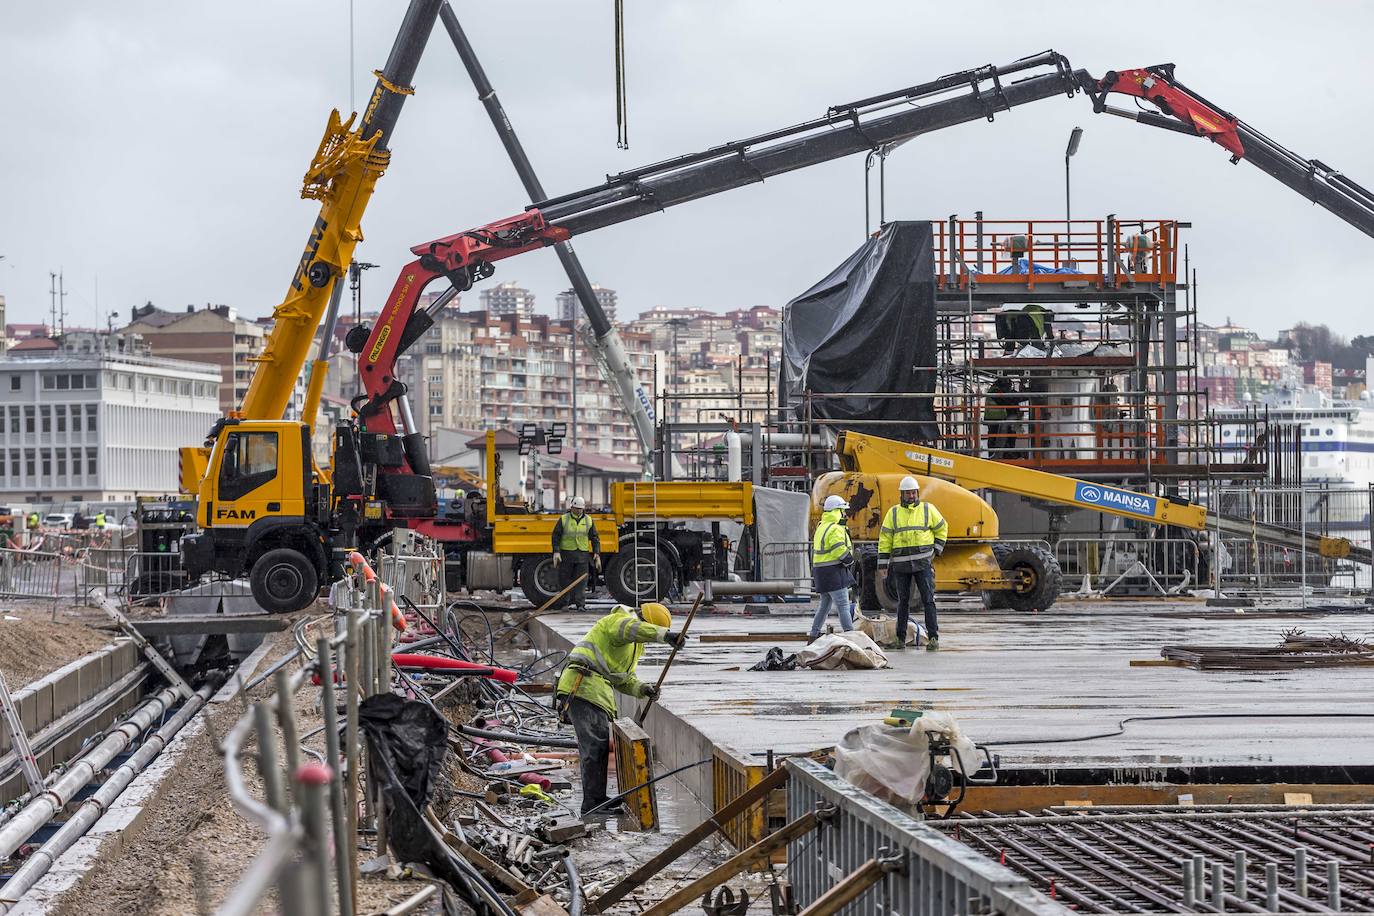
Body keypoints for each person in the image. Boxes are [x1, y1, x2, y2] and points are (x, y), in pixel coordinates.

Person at [555, 602, 686, 816]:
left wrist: (643, 689)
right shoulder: (619, 621)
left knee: (597, 746)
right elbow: (631, 629)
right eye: (650, 630)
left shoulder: (632, 647)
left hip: (592, 690)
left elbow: (624, 680)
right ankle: (593, 804)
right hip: (582, 685)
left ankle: (597, 799)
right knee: (594, 747)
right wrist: (664, 636)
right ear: (645, 622)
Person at [877, 476, 948, 651]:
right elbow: (885, 539)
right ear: (902, 494)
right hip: (901, 566)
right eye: (908, 493)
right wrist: (882, 565)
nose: (911, 495)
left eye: (914, 492)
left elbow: (942, 527)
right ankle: (900, 639)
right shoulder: (893, 513)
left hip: (922, 564)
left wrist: (936, 550)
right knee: (903, 602)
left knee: (928, 600)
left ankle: (933, 638)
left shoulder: (927, 509)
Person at [809, 495, 856, 643]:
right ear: (837, 511)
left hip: (821, 572)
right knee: (843, 605)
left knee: (824, 606)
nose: (844, 514)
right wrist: (849, 559)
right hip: (833, 571)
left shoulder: (822, 526)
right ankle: (851, 636)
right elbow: (838, 549)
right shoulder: (835, 528)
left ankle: (813, 634)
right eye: (842, 510)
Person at [551, 496, 600, 611]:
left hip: (582, 556)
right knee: (564, 580)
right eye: (576, 508)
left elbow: (595, 537)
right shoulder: (564, 519)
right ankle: (564, 604)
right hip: (567, 554)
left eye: (580, 509)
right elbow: (555, 536)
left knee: (582, 582)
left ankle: (580, 605)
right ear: (571, 507)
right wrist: (556, 552)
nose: (578, 511)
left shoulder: (588, 520)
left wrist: (597, 553)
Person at [983, 376, 1023, 458]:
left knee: (1003, 437)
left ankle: (1004, 455)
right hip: (994, 419)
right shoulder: (995, 390)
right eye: (1008, 385)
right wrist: (1015, 400)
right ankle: (994, 456)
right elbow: (1005, 401)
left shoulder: (997, 390)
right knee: (994, 439)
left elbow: (1007, 399)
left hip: (998, 419)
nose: (1009, 387)